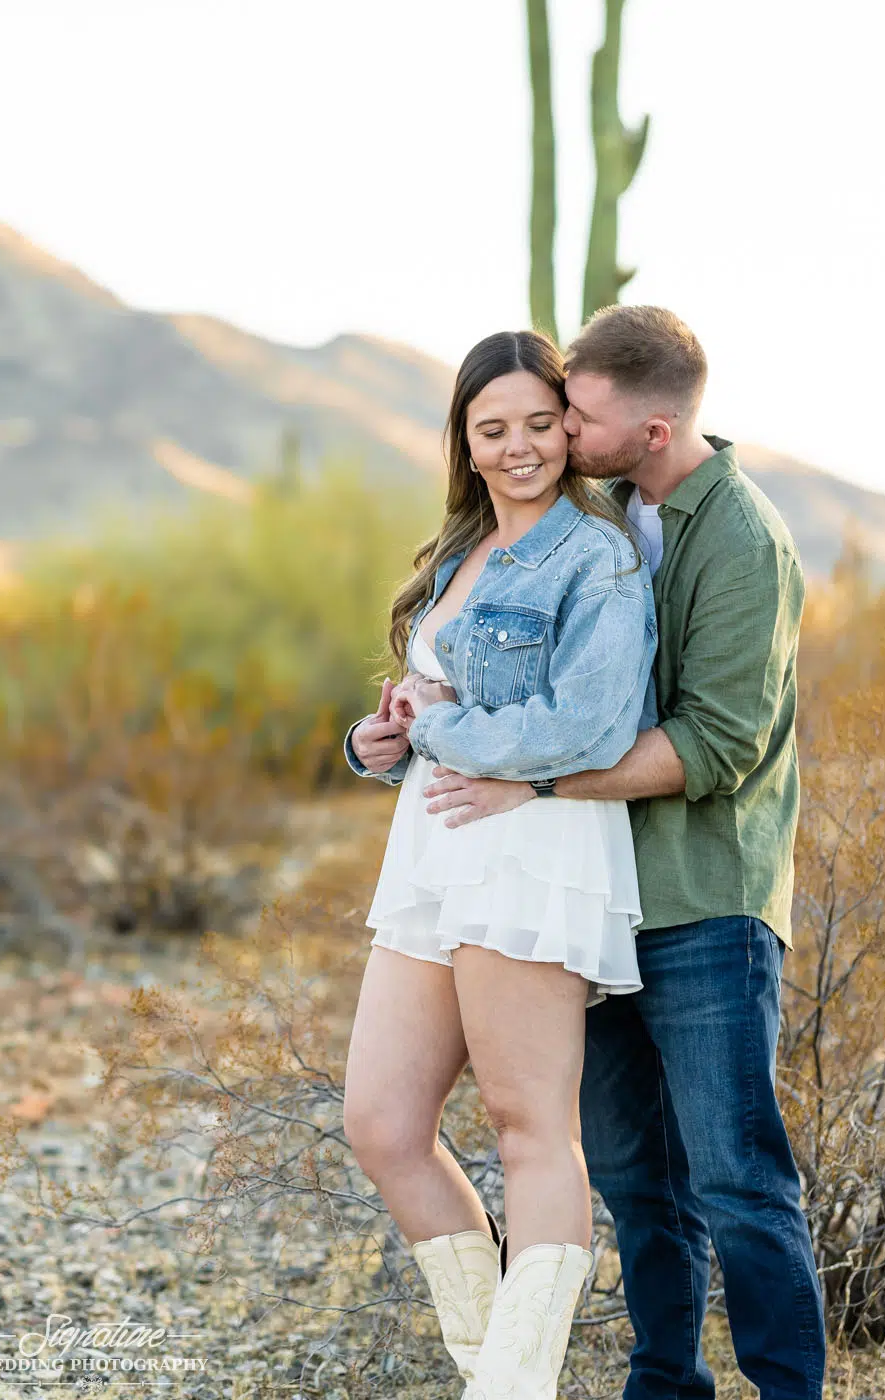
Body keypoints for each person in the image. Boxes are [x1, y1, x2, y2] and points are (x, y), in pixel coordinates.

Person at [415, 305, 826, 1399]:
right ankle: (664, 1383)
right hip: (600, 901)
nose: (559, 434)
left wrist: (535, 777)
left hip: (706, 899)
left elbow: (719, 744)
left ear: (649, 426)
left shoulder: (737, 537)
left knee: (739, 1177)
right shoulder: (610, 516)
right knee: (642, 1180)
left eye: (577, 414)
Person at [341, 327, 656, 1400]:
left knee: (532, 1126)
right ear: (465, 443)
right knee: (382, 1122)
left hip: (532, 845)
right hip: (435, 847)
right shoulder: (456, 551)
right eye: (493, 429)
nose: (519, 447)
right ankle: (499, 1372)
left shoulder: (596, 555)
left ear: (567, 431)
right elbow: (434, 701)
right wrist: (382, 739)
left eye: (538, 423)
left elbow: (590, 719)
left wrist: (439, 729)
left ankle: (510, 1388)